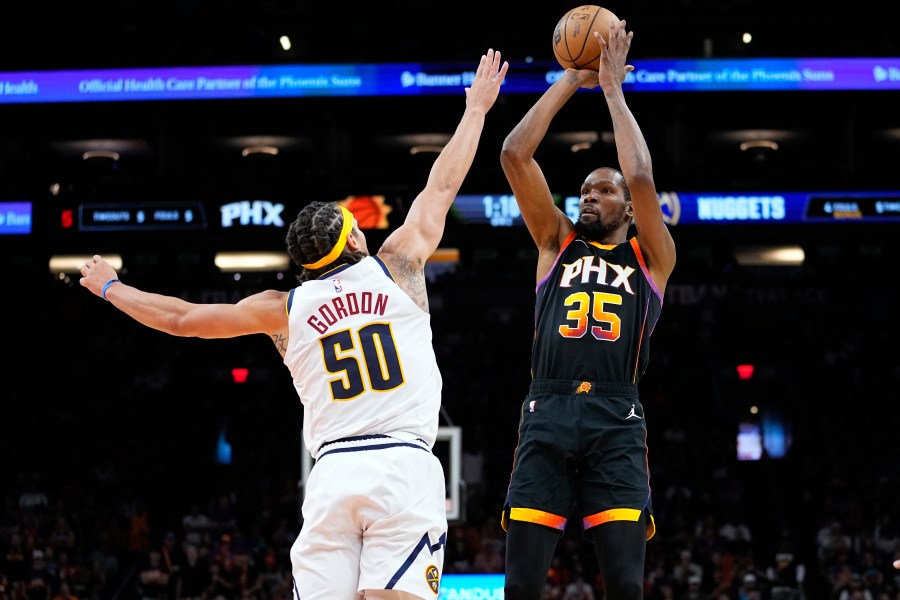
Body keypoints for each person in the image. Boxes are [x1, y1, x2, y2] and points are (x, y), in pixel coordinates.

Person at [80, 48, 508, 600]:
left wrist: (112, 286)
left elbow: (183, 319)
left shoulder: (282, 307)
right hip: (402, 466)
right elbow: (441, 186)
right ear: (354, 238)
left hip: (331, 473)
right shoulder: (398, 265)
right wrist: (476, 108)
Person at [498, 20, 676, 600]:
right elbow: (514, 154)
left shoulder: (652, 257)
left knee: (625, 582)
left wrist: (613, 91)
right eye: (584, 189)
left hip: (616, 418)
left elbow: (643, 174)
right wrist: (570, 79)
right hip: (546, 408)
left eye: (602, 190)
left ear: (627, 206)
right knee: (522, 584)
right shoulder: (556, 242)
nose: (588, 196)